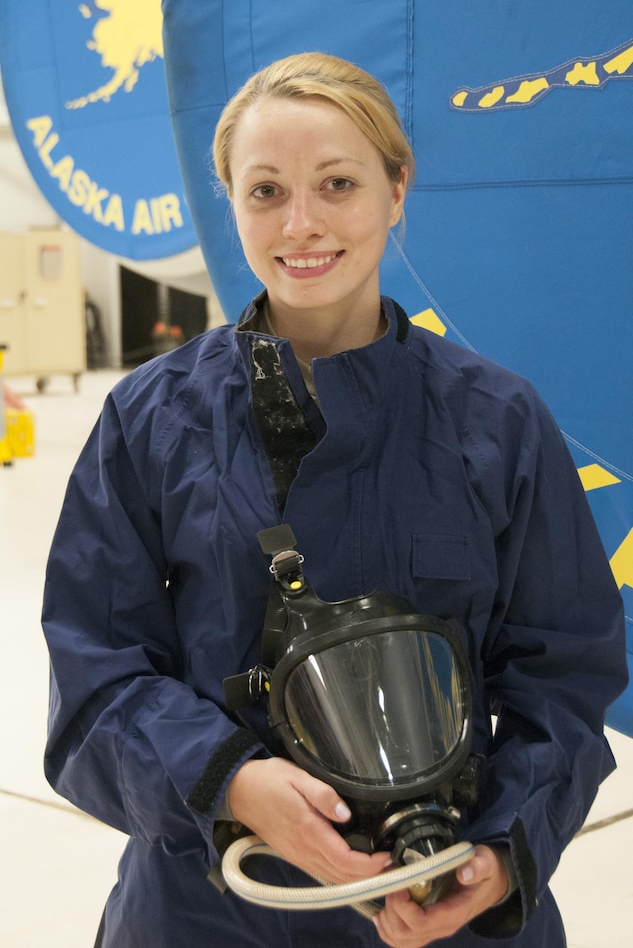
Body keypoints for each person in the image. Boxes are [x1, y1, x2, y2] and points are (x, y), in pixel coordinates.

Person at [42, 52, 627, 948]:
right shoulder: (150, 418)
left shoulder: (496, 421)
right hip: (206, 910)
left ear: (398, 189)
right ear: (230, 201)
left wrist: (501, 855)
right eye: (266, 190)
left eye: (339, 183)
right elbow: (93, 668)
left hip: (441, 903)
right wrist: (227, 780)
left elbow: (563, 674)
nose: (301, 223)